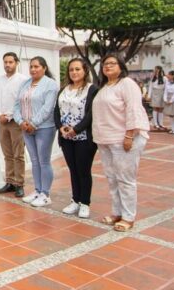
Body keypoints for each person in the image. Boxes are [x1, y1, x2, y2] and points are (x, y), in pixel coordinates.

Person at [92, 54, 149, 232]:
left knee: (125, 179)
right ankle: (117, 212)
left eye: (112, 63)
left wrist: (129, 135)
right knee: (112, 179)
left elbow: (133, 109)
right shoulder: (104, 87)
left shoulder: (127, 84)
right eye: (105, 64)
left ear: (121, 66)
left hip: (124, 139)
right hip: (106, 139)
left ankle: (128, 217)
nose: (107, 66)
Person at [54, 58, 98, 219]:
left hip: (84, 138)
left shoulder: (92, 89)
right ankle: (75, 200)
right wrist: (60, 127)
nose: (74, 72)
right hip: (66, 137)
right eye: (71, 69)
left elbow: (91, 114)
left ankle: (85, 203)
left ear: (85, 71)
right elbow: (56, 111)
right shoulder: (63, 90)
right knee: (73, 170)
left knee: (83, 170)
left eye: (78, 69)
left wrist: (76, 129)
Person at [13, 56, 59, 207]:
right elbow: (16, 105)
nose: (33, 69)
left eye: (36, 66)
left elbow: (48, 108)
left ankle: (45, 194)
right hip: (26, 127)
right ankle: (37, 190)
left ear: (44, 68)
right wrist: (21, 122)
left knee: (44, 161)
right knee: (34, 161)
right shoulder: (25, 83)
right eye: (31, 66)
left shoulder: (50, 84)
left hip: (44, 127)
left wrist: (33, 123)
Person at [0, 52, 28, 198]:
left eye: (10, 62)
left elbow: (21, 101)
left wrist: (9, 115)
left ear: (16, 63)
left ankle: (19, 184)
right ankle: (10, 181)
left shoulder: (23, 80)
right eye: (5, 62)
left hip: (16, 122)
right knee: (7, 154)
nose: (7, 65)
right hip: (2, 122)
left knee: (18, 154)